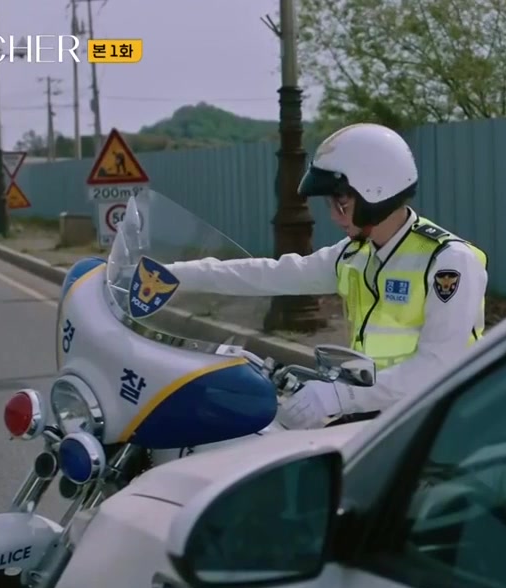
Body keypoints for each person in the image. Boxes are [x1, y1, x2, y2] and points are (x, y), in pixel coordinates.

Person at [163, 123, 489, 429]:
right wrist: (175, 276)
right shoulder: (356, 254)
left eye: (341, 203)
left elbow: (437, 366)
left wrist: (339, 396)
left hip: (441, 426)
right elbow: (273, 274)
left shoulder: (447, 261)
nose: (333, 215)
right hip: (380, 418)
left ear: (375, 191)